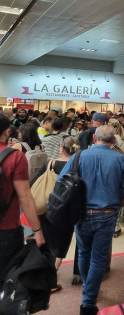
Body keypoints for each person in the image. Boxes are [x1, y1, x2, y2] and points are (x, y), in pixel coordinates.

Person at [57, 125, 124, 315]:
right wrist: (119, 201)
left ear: (94, 138)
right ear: (114, 141)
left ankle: (88, 288)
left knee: (84, 251)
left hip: (81, 212)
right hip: (108, 213)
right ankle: (88, 300)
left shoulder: (78, 156)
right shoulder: (121, 159)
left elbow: (61, 180)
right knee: (99, 256)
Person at [0, 114, 45, 275]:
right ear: (7, 132)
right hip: (7, 229)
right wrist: (37, 231)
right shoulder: (14, 156)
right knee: (7, 279)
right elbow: (25, 197)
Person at [30, 136, 77, 279]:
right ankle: (56, 266)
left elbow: (33, 182)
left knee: (48, 237)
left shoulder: (50, 163)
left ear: (61, 148)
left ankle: (47, 266)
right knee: (63, 238)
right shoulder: (77, 165)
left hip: (50, 206)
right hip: (68, 208)